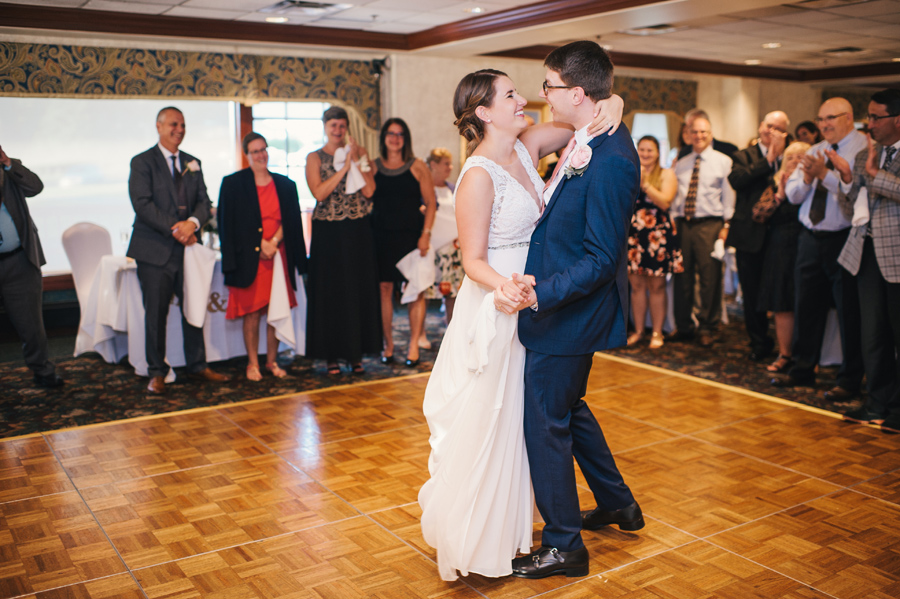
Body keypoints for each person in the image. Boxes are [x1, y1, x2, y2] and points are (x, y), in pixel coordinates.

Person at [418, 65, 624, 582]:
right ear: (484, 112)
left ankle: (530, 527)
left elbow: (588, 119)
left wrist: (615, 104)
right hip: (500, 299)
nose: (525, 98)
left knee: (527, 418)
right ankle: (480, 535)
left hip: (537, 299)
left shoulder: (529, 145)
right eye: (511, 94)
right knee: (491, 419)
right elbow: (473, 259)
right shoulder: (478, 174)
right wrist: (506, 287)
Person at [511, 40, 644, 580]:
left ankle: (564, 544)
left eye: (549, 86)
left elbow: (600, 258)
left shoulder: (611, 160)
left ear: (578, 92)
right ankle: (617, 503)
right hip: (560, 305)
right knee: (569, 407)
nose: (543, 94)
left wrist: (541, 292)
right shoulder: (587, 136)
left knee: (545, 422)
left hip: (566, 309)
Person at [127, 106, 229, 394]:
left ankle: (198, 365)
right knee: (156, 313)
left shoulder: (193, 162)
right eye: (174, 124)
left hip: (189, 252)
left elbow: (204, 200)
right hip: (155, 250)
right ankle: (157, 371)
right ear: (159, 126)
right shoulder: (142, 162)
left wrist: (194, 223)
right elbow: (142, 203)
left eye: (183, 125)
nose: (179, 130)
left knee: (194, 306)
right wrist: (177, 228)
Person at [775, 98, 866, 402]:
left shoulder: (862, 149)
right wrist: (809, 177)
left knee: (847, 310)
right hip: (810, 238)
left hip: (844, 237)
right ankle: (802, 369)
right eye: (821, 119)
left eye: (831, 118)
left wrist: (826, 175)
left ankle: (850, 379)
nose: (824, 125)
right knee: (807, 306)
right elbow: (794, 196)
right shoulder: (813, 151)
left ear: (849, 118)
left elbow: (854, 197)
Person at [834, 89, 900, 428]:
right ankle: (876, 403)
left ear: (897, 119)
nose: (869, 124)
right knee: (871, 334)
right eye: (868, 117)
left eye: (876, 117)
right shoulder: (865, 156)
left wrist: (876, 175)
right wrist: (847, 179)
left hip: (897, 257)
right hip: (866, 252)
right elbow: (852, 209)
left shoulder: (876, 162)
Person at [217, 132, 307, 381]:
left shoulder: (286, 185)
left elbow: (290, 221)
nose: (261, 155)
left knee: (275, 309)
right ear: (247, 155)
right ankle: (252, 363)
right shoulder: (233, 184)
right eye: (255, 151)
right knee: (252, 312)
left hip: (278, 256)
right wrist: (261, 244)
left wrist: (275, 241)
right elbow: (230, 224)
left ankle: (271, 361)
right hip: (250, 258)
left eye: (263, 149)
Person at [305, 106, 380, 375]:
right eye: (333, 126)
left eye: (341, 126)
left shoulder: (359, 153)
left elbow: (370, 190)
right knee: (331, 292)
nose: (337, 131)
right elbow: (319, 193)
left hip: (357, 230)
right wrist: (343, 169)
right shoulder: (314, 157)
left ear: (346, 128)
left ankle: (356, 354)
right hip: (328, 233)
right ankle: (331, 356)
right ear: (325, 127)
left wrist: (358, 160)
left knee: (357, 290)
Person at [370, 118, 436, 367]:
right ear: (384, 137)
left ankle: (412, 345)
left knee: (415, 291)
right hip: (381, 236)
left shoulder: (417, 166)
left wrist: (426, 234)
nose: (395, 138)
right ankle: (388, 344)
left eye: (400, 134)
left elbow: (431, 203)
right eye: (390, 133)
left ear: (405, 138)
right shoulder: (374, 167)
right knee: (384, 290)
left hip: (411, 237)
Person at [727, 111, 790, 362]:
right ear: (760, 126)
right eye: (768, 125)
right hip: (748, 235)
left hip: (781, 235)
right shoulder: (743, 155)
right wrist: (770, 159)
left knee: (779, 292)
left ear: (785, 132)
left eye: (777, 128)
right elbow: (738, 180)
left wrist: (781, 156)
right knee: (751, 291)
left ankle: (786, 344)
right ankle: (759, 341)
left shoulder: (792, 155)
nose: (771, 131)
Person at [0, 145, 63, 388]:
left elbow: (35, 187)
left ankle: (43, 373)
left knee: (31, 326)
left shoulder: (10, 168)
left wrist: (7, 163)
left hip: (19, 261)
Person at [670, 115, 735, 347]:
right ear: (689, 133)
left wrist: (726, 226)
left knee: (710, 278)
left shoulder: (723, 161)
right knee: (682, 277)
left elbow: (729, 197)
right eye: (695, 132)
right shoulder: (683, 161)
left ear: (710, 133)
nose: (699, 136)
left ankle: (708, 326)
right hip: (684, 224)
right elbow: (676, 196)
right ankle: (684, 326)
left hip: (711, 225)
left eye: (703, 132)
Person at [626, 135, 681, 349]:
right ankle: (638, 330)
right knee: (636, 285)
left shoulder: (667, 174)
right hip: (634, 233)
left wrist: (645, 184)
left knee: (657, 285)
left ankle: (658, 332)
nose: (646, 154)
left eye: (650, 150)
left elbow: (666, 202)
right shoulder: (629, 172)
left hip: (657, 234)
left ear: (658, 153)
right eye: (642, 150)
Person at [758, 141, 808, 374]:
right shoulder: (775, 182)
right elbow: (758, 215)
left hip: (805, 245)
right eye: (791, 157)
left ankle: (808, 358)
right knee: (781, 303)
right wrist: (779, 194)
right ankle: (785, 353)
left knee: (805, 303)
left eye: (801, 157)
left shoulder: (814, 184)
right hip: (779, 248)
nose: (796, 161)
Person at [422, 147, 462, 331]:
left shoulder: (452, 188)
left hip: (452, 252)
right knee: (422, 292)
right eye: (446, 163)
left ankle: (451, 330)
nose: (450, 167)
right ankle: (420, 334)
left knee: (452, 294)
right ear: (433, 165)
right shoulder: (423, 189)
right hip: (430, 249)